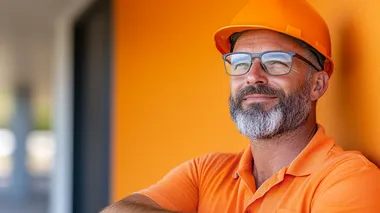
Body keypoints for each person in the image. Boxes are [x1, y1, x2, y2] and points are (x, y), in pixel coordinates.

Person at [102, 0, 380, 212]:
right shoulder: (206, 172)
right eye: (239, 63)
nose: (252, 75)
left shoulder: (349, 179)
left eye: (276, 61)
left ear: (317, 84)